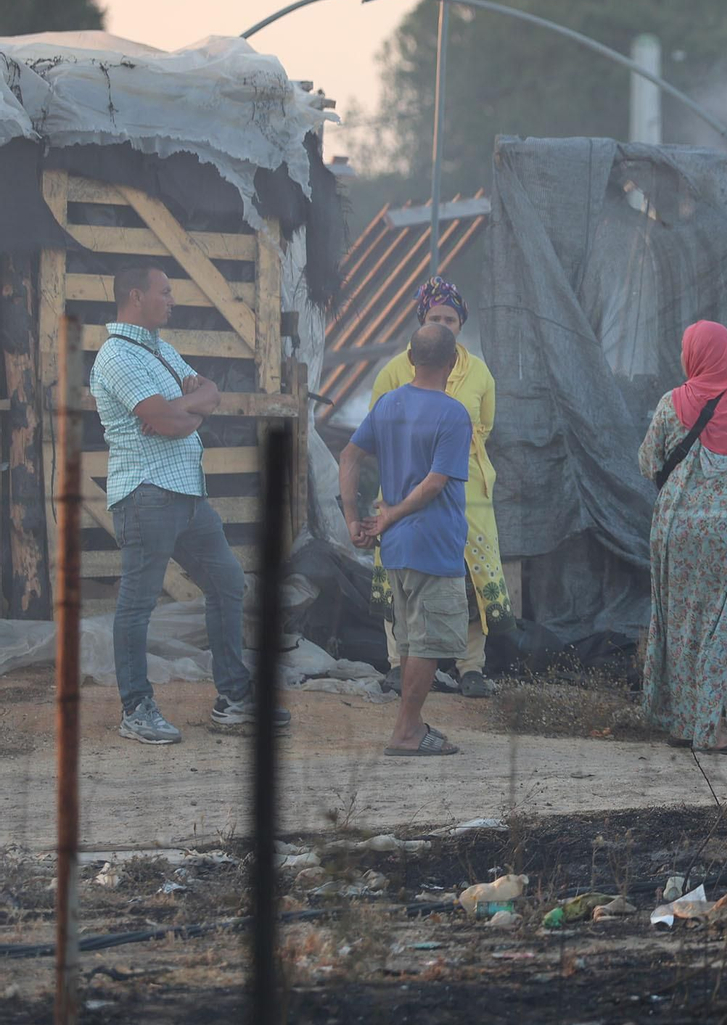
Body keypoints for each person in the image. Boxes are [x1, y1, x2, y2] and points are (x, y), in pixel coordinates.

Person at [89, 263, 290, 744]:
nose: (172, 300)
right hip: (146, 496)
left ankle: (234, 698)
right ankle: (136, 709)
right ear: (135, 296)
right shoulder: (117, 356)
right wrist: (183, 412)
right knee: (137, 605)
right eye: (164, 292)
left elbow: (211, 392)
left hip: (187, 494)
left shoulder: (160, 349)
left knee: (227, 581)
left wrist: (184, 409)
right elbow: (168, 423)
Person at [638, 320, 727, 754]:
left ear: (693, 355)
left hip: (675, 530)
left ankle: (684, 723)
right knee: (723, 627)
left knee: (679, 624)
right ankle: (712, 729)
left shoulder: (670, 403)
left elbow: (648, 463)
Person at [368, 277, 509, 699]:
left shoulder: (479, 371)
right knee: (401, 570)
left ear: (461, 323)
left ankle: (470, 666)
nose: (443, 325)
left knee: (471, 574)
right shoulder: (394, 371)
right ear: (421, 321)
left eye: (450, 318)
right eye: (435, 318)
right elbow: (375, 429)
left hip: (468, 490)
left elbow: (485, 425)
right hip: (403, 486)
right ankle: (398, 664)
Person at [340, 323, 473, 756]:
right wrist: (392, 514)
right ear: (453, 362)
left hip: (396, 548)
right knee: (427, 643)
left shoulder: (387, 405)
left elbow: (349, 456)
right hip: (433, 544)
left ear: (411, 359)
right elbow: (435, 483)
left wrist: (353, 518)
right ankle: (406, 731)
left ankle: (409, 726)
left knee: (412, 642)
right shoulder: (454, 414)